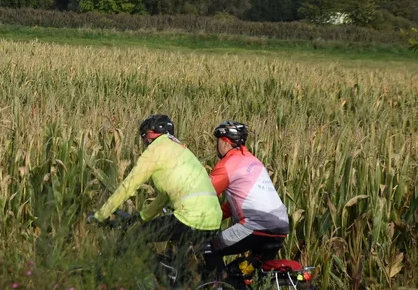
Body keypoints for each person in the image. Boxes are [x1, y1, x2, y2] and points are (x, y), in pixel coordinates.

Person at [92, 114, 223, 263]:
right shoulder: (180, 149)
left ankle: (153, 281)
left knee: (135, 237)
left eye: (144, 137)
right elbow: (164, 197)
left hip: (190, 218)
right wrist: (142, 216)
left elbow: (128, 186)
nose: (144, 142)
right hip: (213, 218)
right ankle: (177, 282)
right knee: (178, 264)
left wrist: (101, 215)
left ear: (149, 136)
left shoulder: (156, 149)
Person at [203, 120, 290, 273]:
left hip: (256, 226)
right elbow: (239, 202)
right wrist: (217, 217)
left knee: (209, 248)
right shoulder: (254, 161)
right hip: (281, 226)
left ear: (225, 142)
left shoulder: (228, 163)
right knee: (253, 273)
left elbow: (204, 195)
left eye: (218, 141)